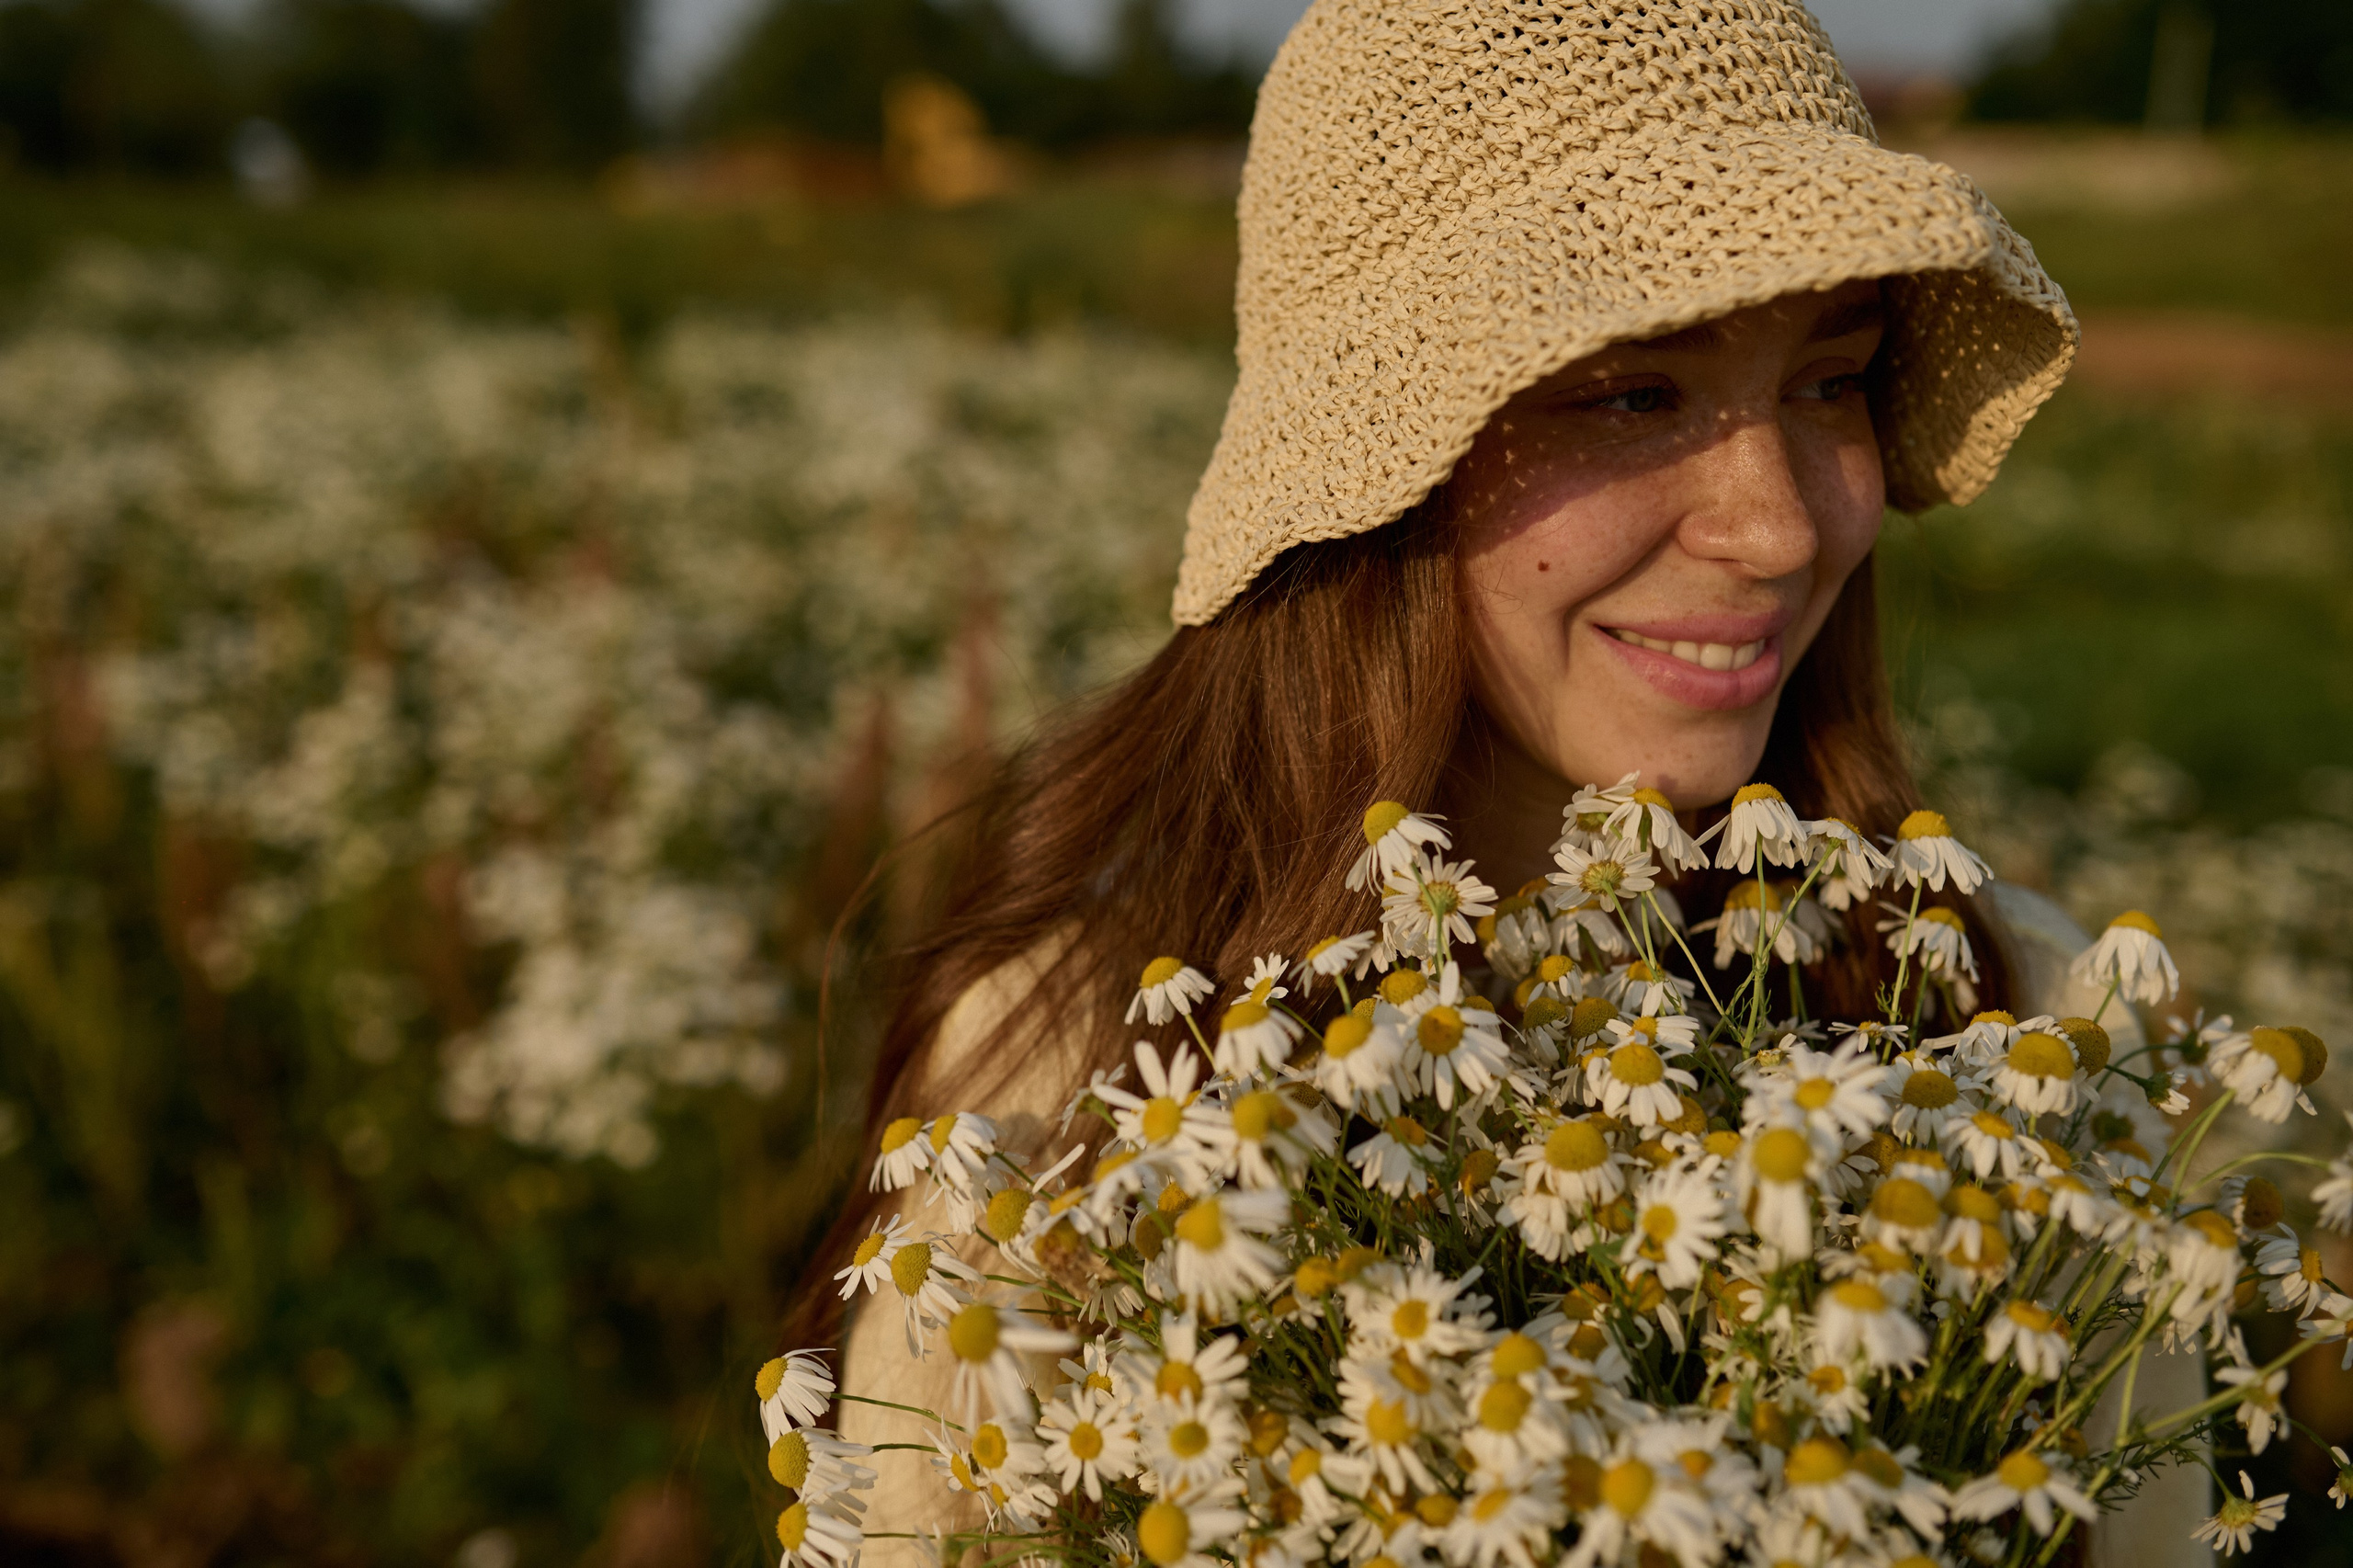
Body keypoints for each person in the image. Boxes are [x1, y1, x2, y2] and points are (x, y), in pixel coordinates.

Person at [797, 3, 2208, 1562]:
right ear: (1373, 470)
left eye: (1832, 383)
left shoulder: (2038, 1026)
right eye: (1631, 395)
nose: (1782, 529)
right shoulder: (1060, 1088)